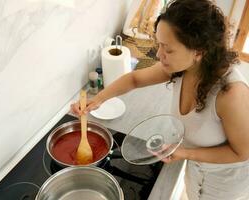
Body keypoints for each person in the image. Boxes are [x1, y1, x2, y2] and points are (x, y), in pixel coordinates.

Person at [71, 0, 249, 199]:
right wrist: (97, 99)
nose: (158, 54)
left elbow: (242, 152)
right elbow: (135, 78)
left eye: (168, 49)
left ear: (199, 51)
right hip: (197, 169)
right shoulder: (183, 67)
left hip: (228, 182)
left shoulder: (231, 94)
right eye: (159, 45)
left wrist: (185, 153)